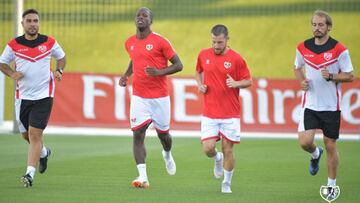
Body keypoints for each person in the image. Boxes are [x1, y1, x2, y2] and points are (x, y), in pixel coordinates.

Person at [0, 9, 66, 187]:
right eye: (29, 21)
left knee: (35, 133)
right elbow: (2, 63)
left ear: (39, 23)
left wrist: (59, 70)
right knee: (25, 135)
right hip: (23, 97)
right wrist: (12, 73)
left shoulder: (49, 42)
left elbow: (62, 57)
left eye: (35, 20)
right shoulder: (14, 44)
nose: (33, 24)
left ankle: (29, 174)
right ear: (23, 24)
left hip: (44, 95)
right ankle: (44, 153)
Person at [118, 7, 183, 189]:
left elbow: (179, 65)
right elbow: (134, 58)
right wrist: (126, 75)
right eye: (138, 15)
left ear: (150, 21)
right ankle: (143, 176)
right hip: (139, 96)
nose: (141, 18)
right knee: (138, 134)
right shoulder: (129, 42)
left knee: (164, 135)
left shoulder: (160, 41)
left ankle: (167, 154)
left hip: (160, 97)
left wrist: (159, 72)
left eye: (145, 15)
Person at [294, 10, 354, 199]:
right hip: (310, 104)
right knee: (304, 142)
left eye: (321, 25)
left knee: (330, 145)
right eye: (314, 24)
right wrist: (301, 81)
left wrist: (332, 76)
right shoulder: (302, 47)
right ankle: (314, 153)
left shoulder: (339, 49)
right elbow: (297, 66)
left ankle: (331, 185)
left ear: (329, 27)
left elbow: (350, 75)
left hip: (330, 106)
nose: (317, 28)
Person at [195, 24, 252, 193]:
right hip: (210, 113)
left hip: (230, 114)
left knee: (228, 149)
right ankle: (217, 158)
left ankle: (226, 183)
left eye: (220, 42)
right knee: (208, 149)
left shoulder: (237, 59)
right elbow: (198, 72)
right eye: (213, 42)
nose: (216, 46)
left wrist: (235, 83)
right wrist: (200, 85)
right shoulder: (203, 54)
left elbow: (248, 81)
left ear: (227, 40)